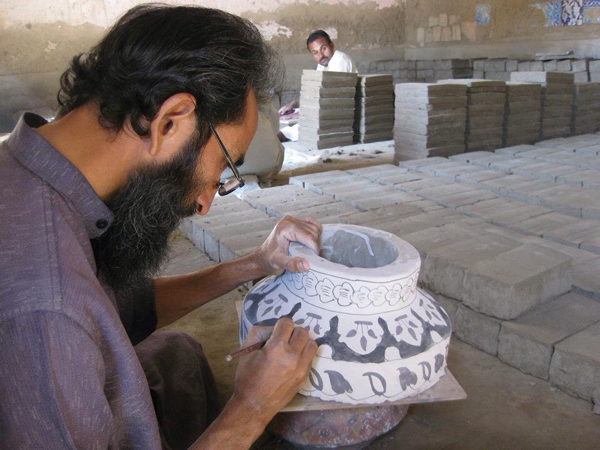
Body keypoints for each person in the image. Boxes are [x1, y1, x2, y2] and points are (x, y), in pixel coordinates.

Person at [0, 5, 321, 450]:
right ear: (170, 121)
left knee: (178, 357)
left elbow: (116, 310)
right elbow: (73, 312)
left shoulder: (32, 172)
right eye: (224, 167)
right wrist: (251, 409)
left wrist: (254, 263)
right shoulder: (47, 308)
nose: (206, 202)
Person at [278, 29, 357, 124]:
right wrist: (295, 104)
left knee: (297, 129)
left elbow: (333, 98)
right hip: (330, 109)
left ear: (331, 45)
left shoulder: (340, 60)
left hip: (344, 113)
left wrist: (304, 113)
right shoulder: (323, 63)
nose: (321, 55)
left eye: (323, 48)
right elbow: (319, 95)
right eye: (315, 53)